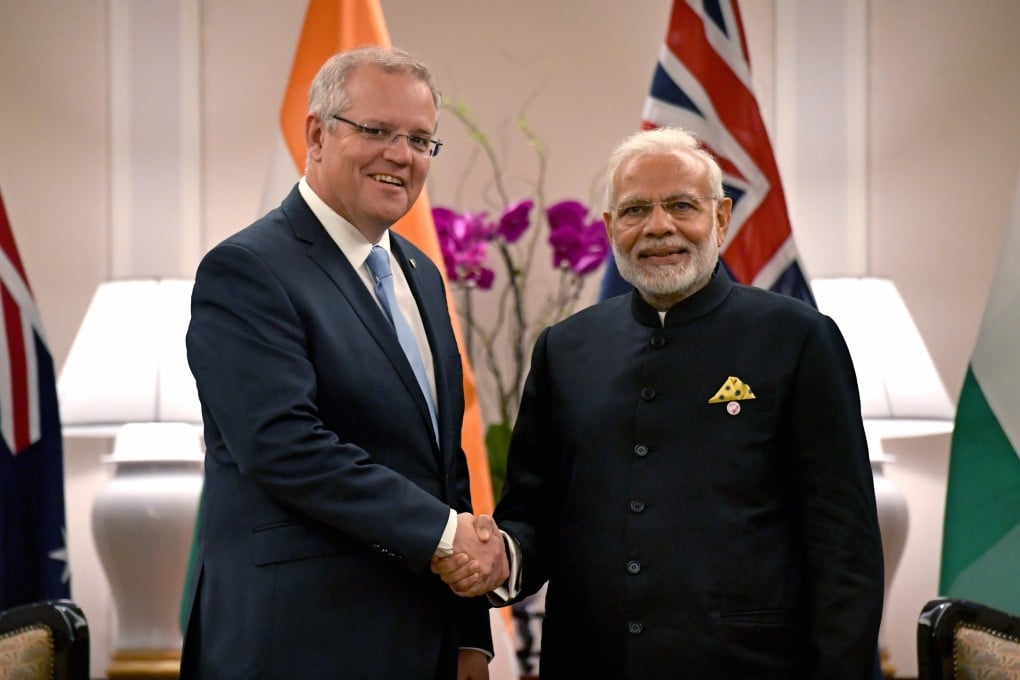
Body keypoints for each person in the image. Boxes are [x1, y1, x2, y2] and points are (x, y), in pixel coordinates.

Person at [434, 126, 884, 678]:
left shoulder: (797, 338)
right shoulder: (565, 348)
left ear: (720, 218)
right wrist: (499, 557)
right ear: (609, 228)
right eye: (635, 210)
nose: (658, 227)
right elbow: (534, 516)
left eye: (681, 206)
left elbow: (846, 549)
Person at [180, 46, 507, 680]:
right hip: (295, 644)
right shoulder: (248, 270)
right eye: (377, 131)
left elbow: (444, 464)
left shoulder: (421, 275)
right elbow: (283, 445)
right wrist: (446, 536)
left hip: (420, 643)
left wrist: (471, 634)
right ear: (317, 135)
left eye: (419, 139)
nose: (400, 155)